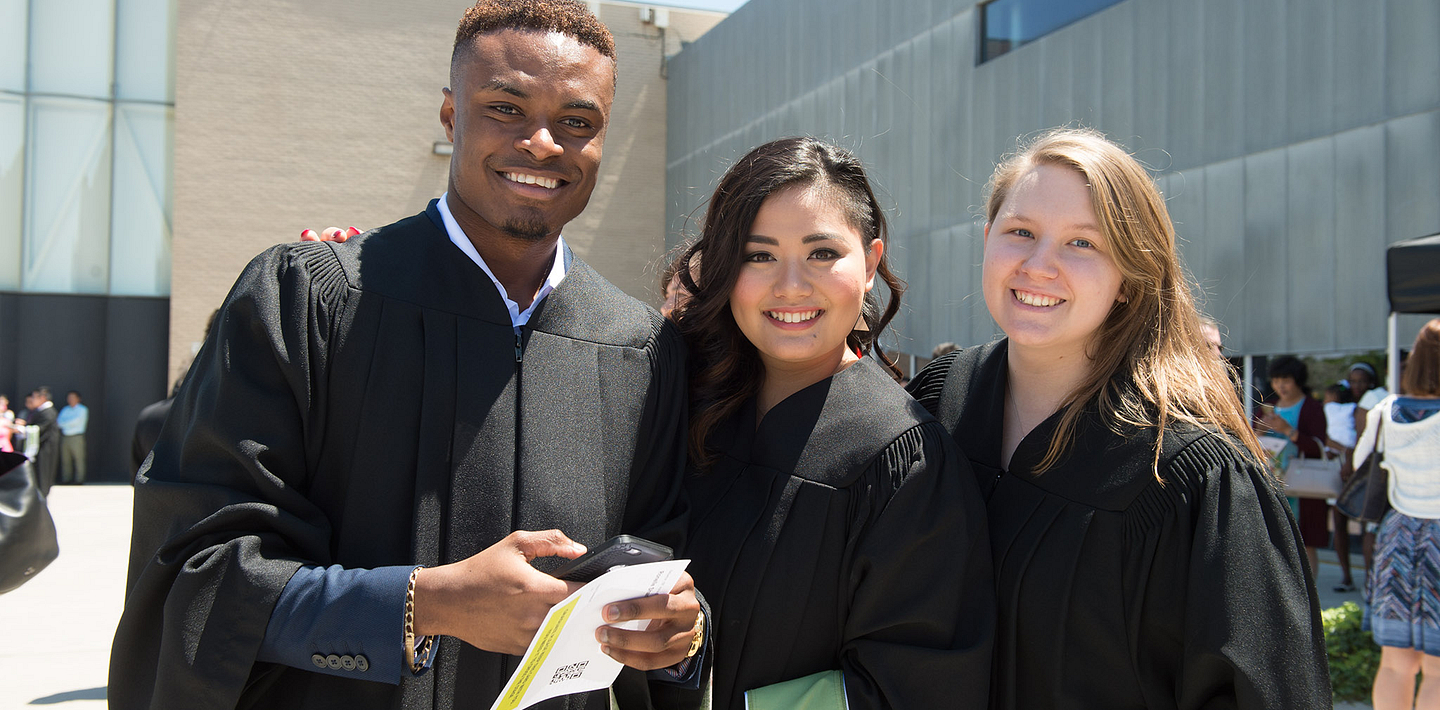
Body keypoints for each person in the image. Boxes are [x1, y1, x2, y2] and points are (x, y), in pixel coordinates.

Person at [110, 2, 705, 708]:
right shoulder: (310, 300)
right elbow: (198, 573)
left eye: (578, 122)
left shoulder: (639, 350)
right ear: (452, 117)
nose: (544, 143)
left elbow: (666, 564)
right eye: (505, 108)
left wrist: (678, 639)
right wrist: (425, 603)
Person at [907, 128, 1329, 708]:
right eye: (1020, 232)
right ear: (987, 240)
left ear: (1130, 278)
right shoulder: (936, 402)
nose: (1038, 265)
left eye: (1082, 244)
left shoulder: (1187, 475)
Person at [666, 137, 992, 709]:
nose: (790, 285)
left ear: (869, 265)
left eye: (822, 253)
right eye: (758, 254)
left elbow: (916, 686)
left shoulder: (902, 458)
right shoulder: (686, 408)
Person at [1358, 318, 1440, 710]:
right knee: (1439, 670)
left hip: (1398, 534)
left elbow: (1361, 463)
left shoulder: (1386, 410)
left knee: (1394, 665)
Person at [1256, 355, 1329, 574]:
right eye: (1276, 380)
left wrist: (1289, 431)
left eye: (1286, 380)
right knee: (1273, 541)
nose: (1280, 386)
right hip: (1272, 481)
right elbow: (1250, 441)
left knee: (1306, 543)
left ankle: (1309, 600)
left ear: (1298, 380)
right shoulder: (1268, 408)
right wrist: (1259, 430)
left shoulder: (1312, 407)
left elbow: (1318, 448)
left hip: (1303, 485)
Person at [1324, 382, 1361, 591]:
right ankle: (1346, 576)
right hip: (1346, 468)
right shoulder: (1354, 411)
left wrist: (1340, 450)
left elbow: (1331, 442)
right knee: (1341, 524)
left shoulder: (1351, 412)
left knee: (1341, 524)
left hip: (1343, 468)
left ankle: (1347, 577)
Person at [15, 387, 59, 495]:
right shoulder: (40, 411)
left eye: (34, 397)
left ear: (42, 398)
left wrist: (22, 429)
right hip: (40, 450)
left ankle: (41, 503)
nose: (32, 400)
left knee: (43, 477)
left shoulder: (48, 412)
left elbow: (40, 429)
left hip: (45, 451)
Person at [57, 390, 89, 485]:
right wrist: (67, 424)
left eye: (73, 397)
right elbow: (59, 422)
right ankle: (66, 479)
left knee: (79, 458)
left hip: (76, 437)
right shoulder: (65, 410)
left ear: (78, 399)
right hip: (65, 436)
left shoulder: (82, 409)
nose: (71, 399)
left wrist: (66, 423)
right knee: (65, 459)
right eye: (69, 397)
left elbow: (76, 422)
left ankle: (79, 479)